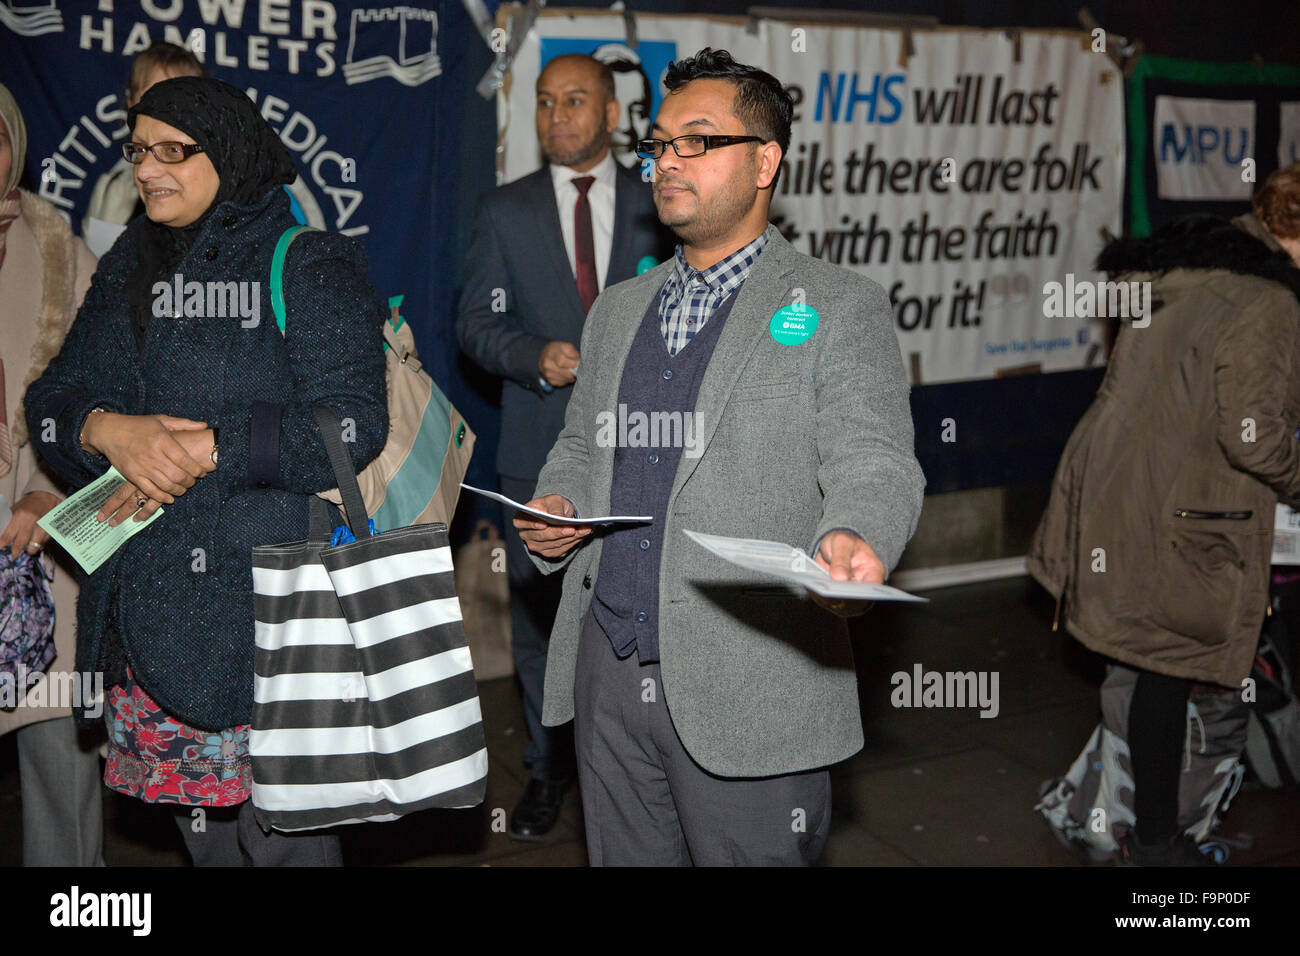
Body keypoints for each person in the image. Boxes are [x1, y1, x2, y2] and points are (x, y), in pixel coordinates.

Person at [514, 48, 925, 865]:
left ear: (766, 160)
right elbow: (577, 442)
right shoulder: (618, 311)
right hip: (606, 670)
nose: (668, 160)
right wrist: (557, 502)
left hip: (751, 684)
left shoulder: (837, 306)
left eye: (697, 141)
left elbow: (875, 457)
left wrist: (856, 534)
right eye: (660, 143)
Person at [26, 76, 389, 867]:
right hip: (149, 620)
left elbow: (353, 423)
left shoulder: (306, 260)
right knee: (208, 848)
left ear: (226, 152)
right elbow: (52, 400)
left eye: (171, 151)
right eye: (137, 151)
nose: (146, 169)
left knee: (290, 847)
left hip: (273, 623)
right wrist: (105, 429)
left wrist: (211, 447)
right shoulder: (130, 264)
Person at [1028, 163, 1300, 866]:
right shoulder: (1264, 299)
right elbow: (1256, 437)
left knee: (1153, 669)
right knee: (1167, 668)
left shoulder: (1183, 275)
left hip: (1126, 498)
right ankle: (1153, 842)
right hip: (1186, 513)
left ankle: (1146, 831)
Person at [457, 53, 669, 840]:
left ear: (612, 115)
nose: (557, 117)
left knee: (644, 616)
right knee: (542, 624)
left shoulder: (661, 204)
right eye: (545, 103)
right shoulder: (504, 211)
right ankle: (548, 770)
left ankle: (648, 766)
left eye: (575, 101)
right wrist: (532, 356)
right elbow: (474, 324)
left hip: (650, 450)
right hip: (541, 448)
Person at [0, 82, 104, 867]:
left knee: (61, 779)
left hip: (36, 547)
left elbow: (109, 390)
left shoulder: (59, 251)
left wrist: (51, 482)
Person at [83, 42, 205, 256]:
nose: (166, 108)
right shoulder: (111, 188)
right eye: (152, 95)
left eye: (178, 95)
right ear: (131, 104)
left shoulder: (222, 183)